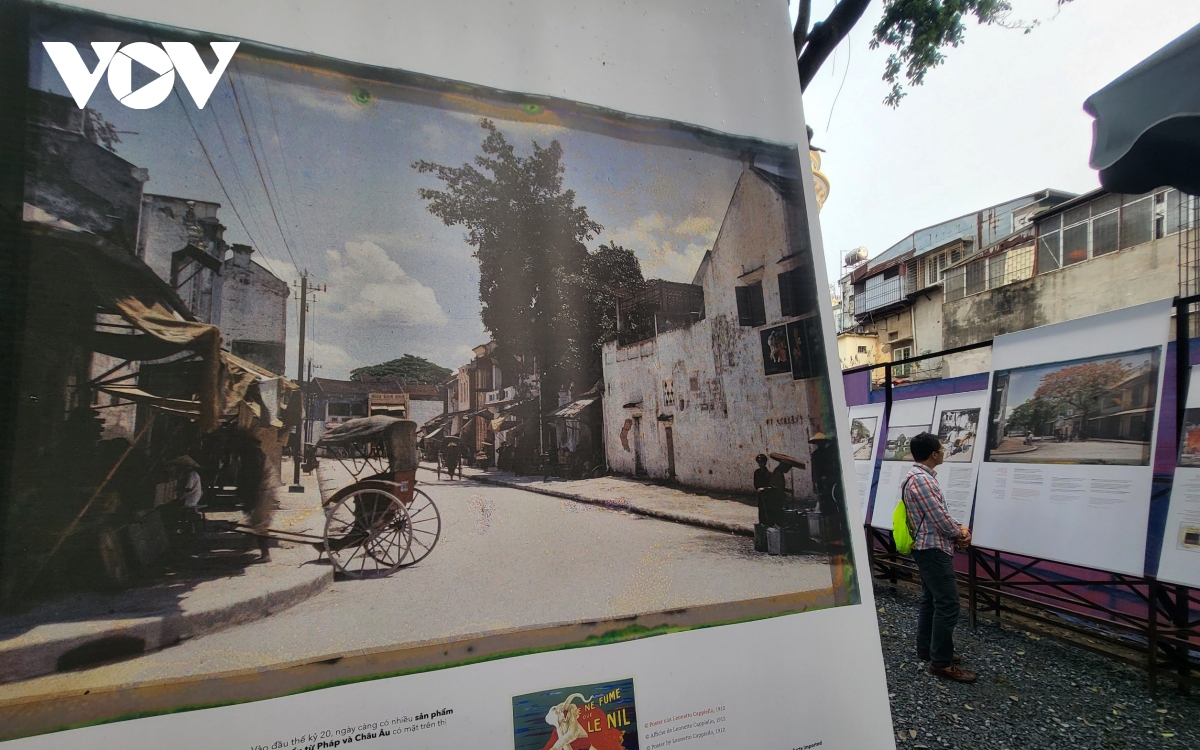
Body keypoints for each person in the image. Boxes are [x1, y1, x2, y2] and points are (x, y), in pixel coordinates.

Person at [903, 432, 976, 683]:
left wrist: (958, 529)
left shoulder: (919, 478)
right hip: (932, 549)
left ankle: (928, 649)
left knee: (931, 600)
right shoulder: (922, 480)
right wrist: (961, 533)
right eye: (942, 449)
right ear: (934, 454)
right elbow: (940, 518)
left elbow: (940, 514)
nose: (944, 452)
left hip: (928, 547)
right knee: (948, 603)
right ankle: (941, 662)